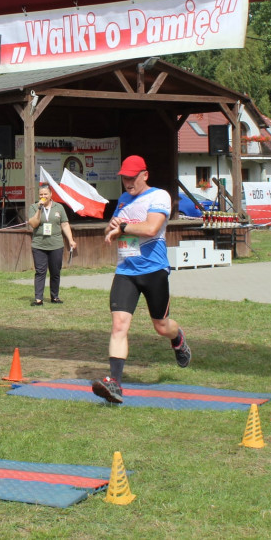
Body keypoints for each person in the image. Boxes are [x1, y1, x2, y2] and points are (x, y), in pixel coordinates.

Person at [91, 155, 191, 404]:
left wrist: (122, 227)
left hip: (154, 271)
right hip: (126, 271)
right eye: (124, 178)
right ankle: (115, 384)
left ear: (145, 175)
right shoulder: (124, 199)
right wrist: (112, 226)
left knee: (161, 326)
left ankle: (177, 337)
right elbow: (110, 229)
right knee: (119, 326)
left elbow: (151, 228)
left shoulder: (159, 197)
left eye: (132, 177)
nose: (127, 182)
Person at [27, 184, 77, 306]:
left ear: (51, 195)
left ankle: (55, 297)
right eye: (41, 194)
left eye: (45, 194)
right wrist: (39, 209)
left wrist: (70, 239)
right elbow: (33, 224)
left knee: (55, 271)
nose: (43, 196)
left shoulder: (59, 207)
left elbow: (64, 224)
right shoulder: (34, 207)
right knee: (40, 272)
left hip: (56, 245)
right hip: (39, 245)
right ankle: (38, 299)